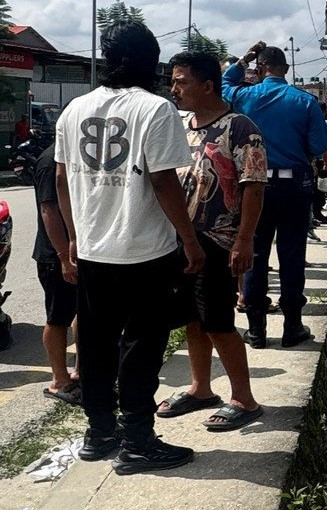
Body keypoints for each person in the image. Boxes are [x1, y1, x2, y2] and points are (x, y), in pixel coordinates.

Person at [54, 21, 204, 474]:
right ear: (148, 60)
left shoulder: (73, 110)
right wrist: (190, 239)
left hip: (95, 251)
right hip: (145, 254)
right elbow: (163, 181)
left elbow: (61, 179)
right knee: (141, 346)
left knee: (95, 345)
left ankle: (99, 433)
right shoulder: (155, 110)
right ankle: (138, 440)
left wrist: (76, 235)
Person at [157, 51, 266, 431]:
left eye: (181, 81)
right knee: (192, 318)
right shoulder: (180, 125)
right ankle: (200, 388)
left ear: (207, 85)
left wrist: (244, 240)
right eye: (173, 81)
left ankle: (244, 399)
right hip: (183, 240)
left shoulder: (240, 128)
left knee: (218, 320)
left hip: (220, 241)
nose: (174, 89)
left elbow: (253, 187)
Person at [223, 42, 327, 349]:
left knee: (255, 254)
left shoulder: (244, 96)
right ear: (285, 69)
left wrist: (244, 58)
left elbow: (223, 83)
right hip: (295, 185)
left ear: (260, 70)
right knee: (292, 254)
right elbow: (319, 146)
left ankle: (256, 330)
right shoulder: (305, 102)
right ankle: (292, 327)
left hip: (254, 184)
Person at [33, 142, 81, 406]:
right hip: (56, 255)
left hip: (78, 252)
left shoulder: (71, 156)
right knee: (58, 317)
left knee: (82, 312)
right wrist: (64, 257)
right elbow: (48, 210)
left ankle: (79, 372)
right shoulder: (50, 160)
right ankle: (58, 380)